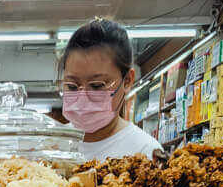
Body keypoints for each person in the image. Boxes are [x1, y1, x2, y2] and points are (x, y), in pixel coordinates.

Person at [60, 18, 162, 162]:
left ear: (127, 81)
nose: (83, 98)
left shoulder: (145, 152)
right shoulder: (50, 145)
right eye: (72, 86)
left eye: (97, 85)